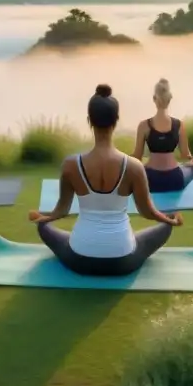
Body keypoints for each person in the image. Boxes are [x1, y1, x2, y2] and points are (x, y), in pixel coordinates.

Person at [30, 83, 184, 276]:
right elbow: (148, 212)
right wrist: (169, 220)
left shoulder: (71, 165)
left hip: (79, 258)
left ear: (89, 121)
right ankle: (165, 225)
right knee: (164, 228)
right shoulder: (133, 166)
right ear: (116, 120)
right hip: (123, 260)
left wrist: (44, 218)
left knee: (44, 228)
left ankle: (57, 231)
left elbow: (61, 210)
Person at [131, 78, 193, 193]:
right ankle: (175, 212)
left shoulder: (144, 125)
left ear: (154, 99)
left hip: (150, 179)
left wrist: (123, 161)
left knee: (135, 170)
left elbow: (137, 157)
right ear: (170, 99)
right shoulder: (179, 125)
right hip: (175, 178)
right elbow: (185, 154)